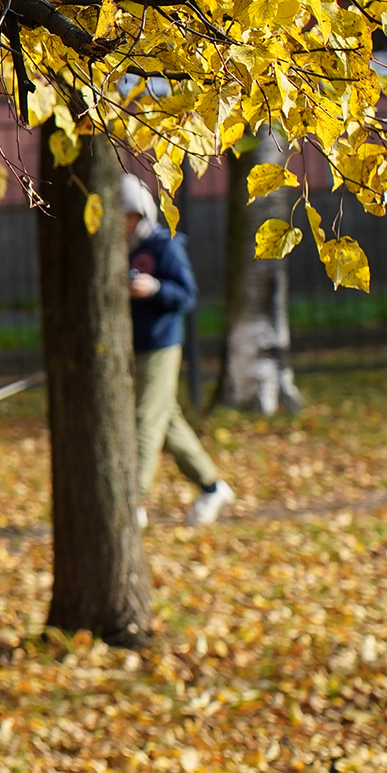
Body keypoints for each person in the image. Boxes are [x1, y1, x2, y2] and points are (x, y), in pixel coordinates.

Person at [123, 173, 234, 526]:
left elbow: (186, 295)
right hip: (132, 347)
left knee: (145, 420)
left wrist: (154, 289)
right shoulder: (117, 247)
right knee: (166, 418)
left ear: (141, 215)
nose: (122, 223)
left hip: (160, 346)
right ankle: (212, 486)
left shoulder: (163, 245)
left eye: (127, 216)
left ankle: (131, 502)